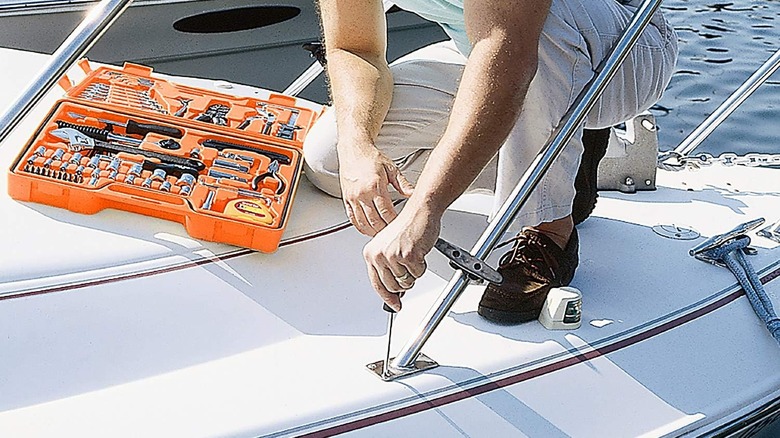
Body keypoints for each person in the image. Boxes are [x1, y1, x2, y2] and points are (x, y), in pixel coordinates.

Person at [303, 0, 677, 322]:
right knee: (330, 160)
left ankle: (551, 229)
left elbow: (508, 51)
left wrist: (424, 209)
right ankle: (562, 163)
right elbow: (355, 48)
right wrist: (357, 149)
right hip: (484, 51)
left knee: (544, 25)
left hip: (620, 50)